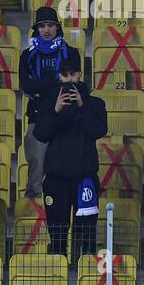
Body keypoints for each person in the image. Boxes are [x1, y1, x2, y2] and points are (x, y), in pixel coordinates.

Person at [33, 52, 107, 259]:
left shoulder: (96, 104)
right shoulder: (49, 103)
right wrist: (56, 110)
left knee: (87, 233)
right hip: (56, 178)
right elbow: (41, 134)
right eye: (65, 75)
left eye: (73, 74)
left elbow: (98, 131)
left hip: (85, 178)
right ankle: (59, 274)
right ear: (59, 77)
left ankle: (84, 273)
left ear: (80, 75)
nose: (70, 79)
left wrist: (82, 106)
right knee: (57, 232)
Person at [19, 6, 81, 198]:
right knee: (36, 169)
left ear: (57, 28)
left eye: (51, 25)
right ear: (36, 29)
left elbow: (73, 83)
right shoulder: (27, 55)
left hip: (66, 116)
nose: (47, 30)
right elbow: (27, 87)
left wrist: (41, 87)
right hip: (38, 117)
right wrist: (56, 82)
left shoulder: (71, 52)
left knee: (68, 166)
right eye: (42, 26)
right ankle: (34, 214)